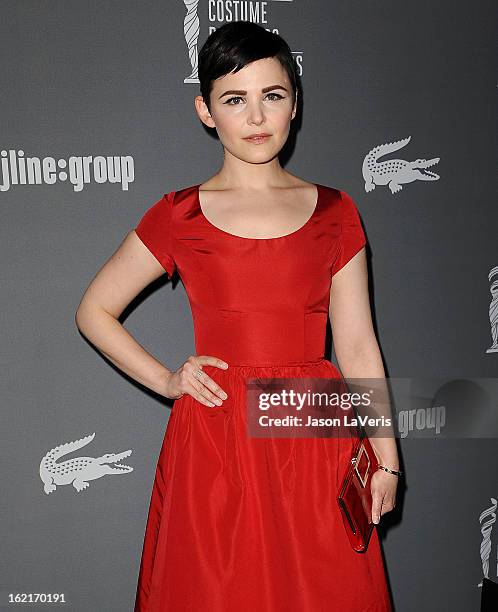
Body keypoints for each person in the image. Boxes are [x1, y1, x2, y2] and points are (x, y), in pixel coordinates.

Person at [75, 20, 400, 612]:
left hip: (314, 426)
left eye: (271, 96)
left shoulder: (336, 212)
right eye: (234, 99)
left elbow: (356, 345)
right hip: (218, 433)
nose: (255, 118)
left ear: (294, 104)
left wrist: (386, 458)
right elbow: (94, 309)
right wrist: (168, 380)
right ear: (206, 111)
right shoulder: (180, 215)